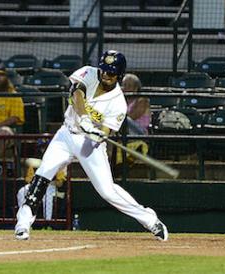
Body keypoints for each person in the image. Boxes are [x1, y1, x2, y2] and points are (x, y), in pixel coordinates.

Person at [14, 50, 168, 241]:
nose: (105, 75)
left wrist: (98, 135)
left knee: (107, 191)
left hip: (90, 145)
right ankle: (23, 222)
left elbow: (106, 131)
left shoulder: (118, 103)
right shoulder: (88, 72)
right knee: (44, 173)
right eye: (103, 70)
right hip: (66, 134)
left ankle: (150, 219)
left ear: (119, 75)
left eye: (110, 73)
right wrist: (85, 118)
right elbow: (77, 92)